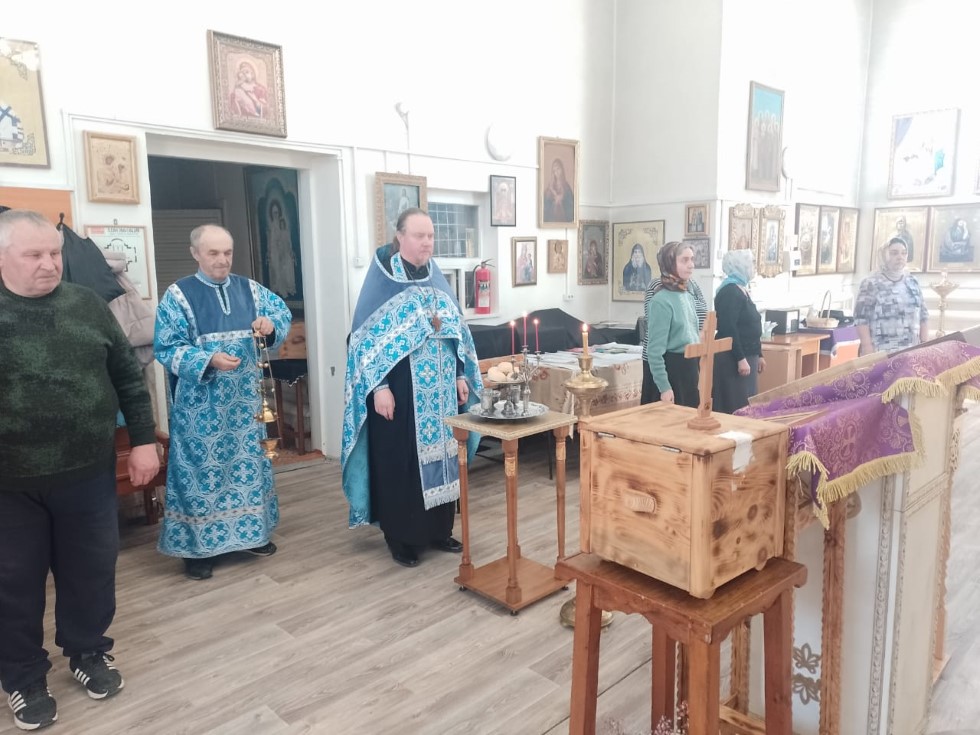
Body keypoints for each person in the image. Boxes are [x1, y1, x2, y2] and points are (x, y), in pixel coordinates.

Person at [0, 210, 159, 730]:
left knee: (90, 572)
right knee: (13, 584)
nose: (49, 264)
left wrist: (143, 441)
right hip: (9, 484)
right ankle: (24, 677)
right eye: (34, 255)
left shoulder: (87, 304)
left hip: (87, 473)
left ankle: (89, 651)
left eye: (54, 252)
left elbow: (128, 378)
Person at [342, 208, 482, 568]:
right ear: (400, 237)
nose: (427, 243)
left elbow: (455, 332)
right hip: (401, 393)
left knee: (446, 456)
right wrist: (379, 387)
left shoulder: (437, 278)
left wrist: (461, 375)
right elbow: (364, 342)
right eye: (420, 236)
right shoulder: (383, 282)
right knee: (400, 461)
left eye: (431, 236)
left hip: (442, 391)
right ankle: (401, 537)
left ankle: (439, 530)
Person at [154, 224, 292, 581]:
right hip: (202, 408)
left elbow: (281, 314)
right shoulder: (178, 295)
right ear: (195, 253)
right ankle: (198, 550)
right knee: (203, 475)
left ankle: (252, 535)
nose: (222, 260)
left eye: (227, 252)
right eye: (213, 253)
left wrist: (269, 324)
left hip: (246, 403)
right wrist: (208, 359)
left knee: (249, 467)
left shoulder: (250, 289)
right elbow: (166, 348)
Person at [640, 261, 707, 405]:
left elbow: (700, 316)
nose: (691, 265)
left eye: (692, 259)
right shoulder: (658, 290)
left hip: (690, 360)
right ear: (670, 262)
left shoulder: (689, 289)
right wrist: (664, 386)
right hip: (667, 362)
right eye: (684, 260)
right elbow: (654, 325)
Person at [711, 249, 766, 414]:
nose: (754, 267)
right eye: (751, 263)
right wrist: (740, 358)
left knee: (747, 405)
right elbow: (728, 328)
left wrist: (759, 354)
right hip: (733, 359)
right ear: (740, 266)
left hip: (748, 355)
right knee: (735, 407)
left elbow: (750, 325)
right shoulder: (730, 291)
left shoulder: (742, 288)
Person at [854, 237, 929, 355]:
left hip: (911, 350)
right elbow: (861, 319)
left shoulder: (912, 282)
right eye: (894, 253)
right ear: (884, 255)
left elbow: (923, 316)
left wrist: (924, 345)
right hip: (880, 350)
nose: (900, 257)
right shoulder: (871, 283)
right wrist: (867, 347)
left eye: (903, 253)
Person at [266, 199, 297, 298]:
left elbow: (285, 239)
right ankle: (279, 289)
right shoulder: (272, 225)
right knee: (276, 271)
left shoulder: (281, 223)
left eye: (277, 212)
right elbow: (271, 239)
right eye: (273, 213)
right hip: (274, 250)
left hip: (282, 249)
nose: (275, 215)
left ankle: (288, 288)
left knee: (286, 268)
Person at [542, 158, 574, 222]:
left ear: (562, 169)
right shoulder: (550, 186)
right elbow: (545, 204)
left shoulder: (566, 186)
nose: (556, 172)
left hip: (563, 219)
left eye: (558, 169)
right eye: (554, 171)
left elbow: (571, 205)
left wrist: (562, 199)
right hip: (552, 219)